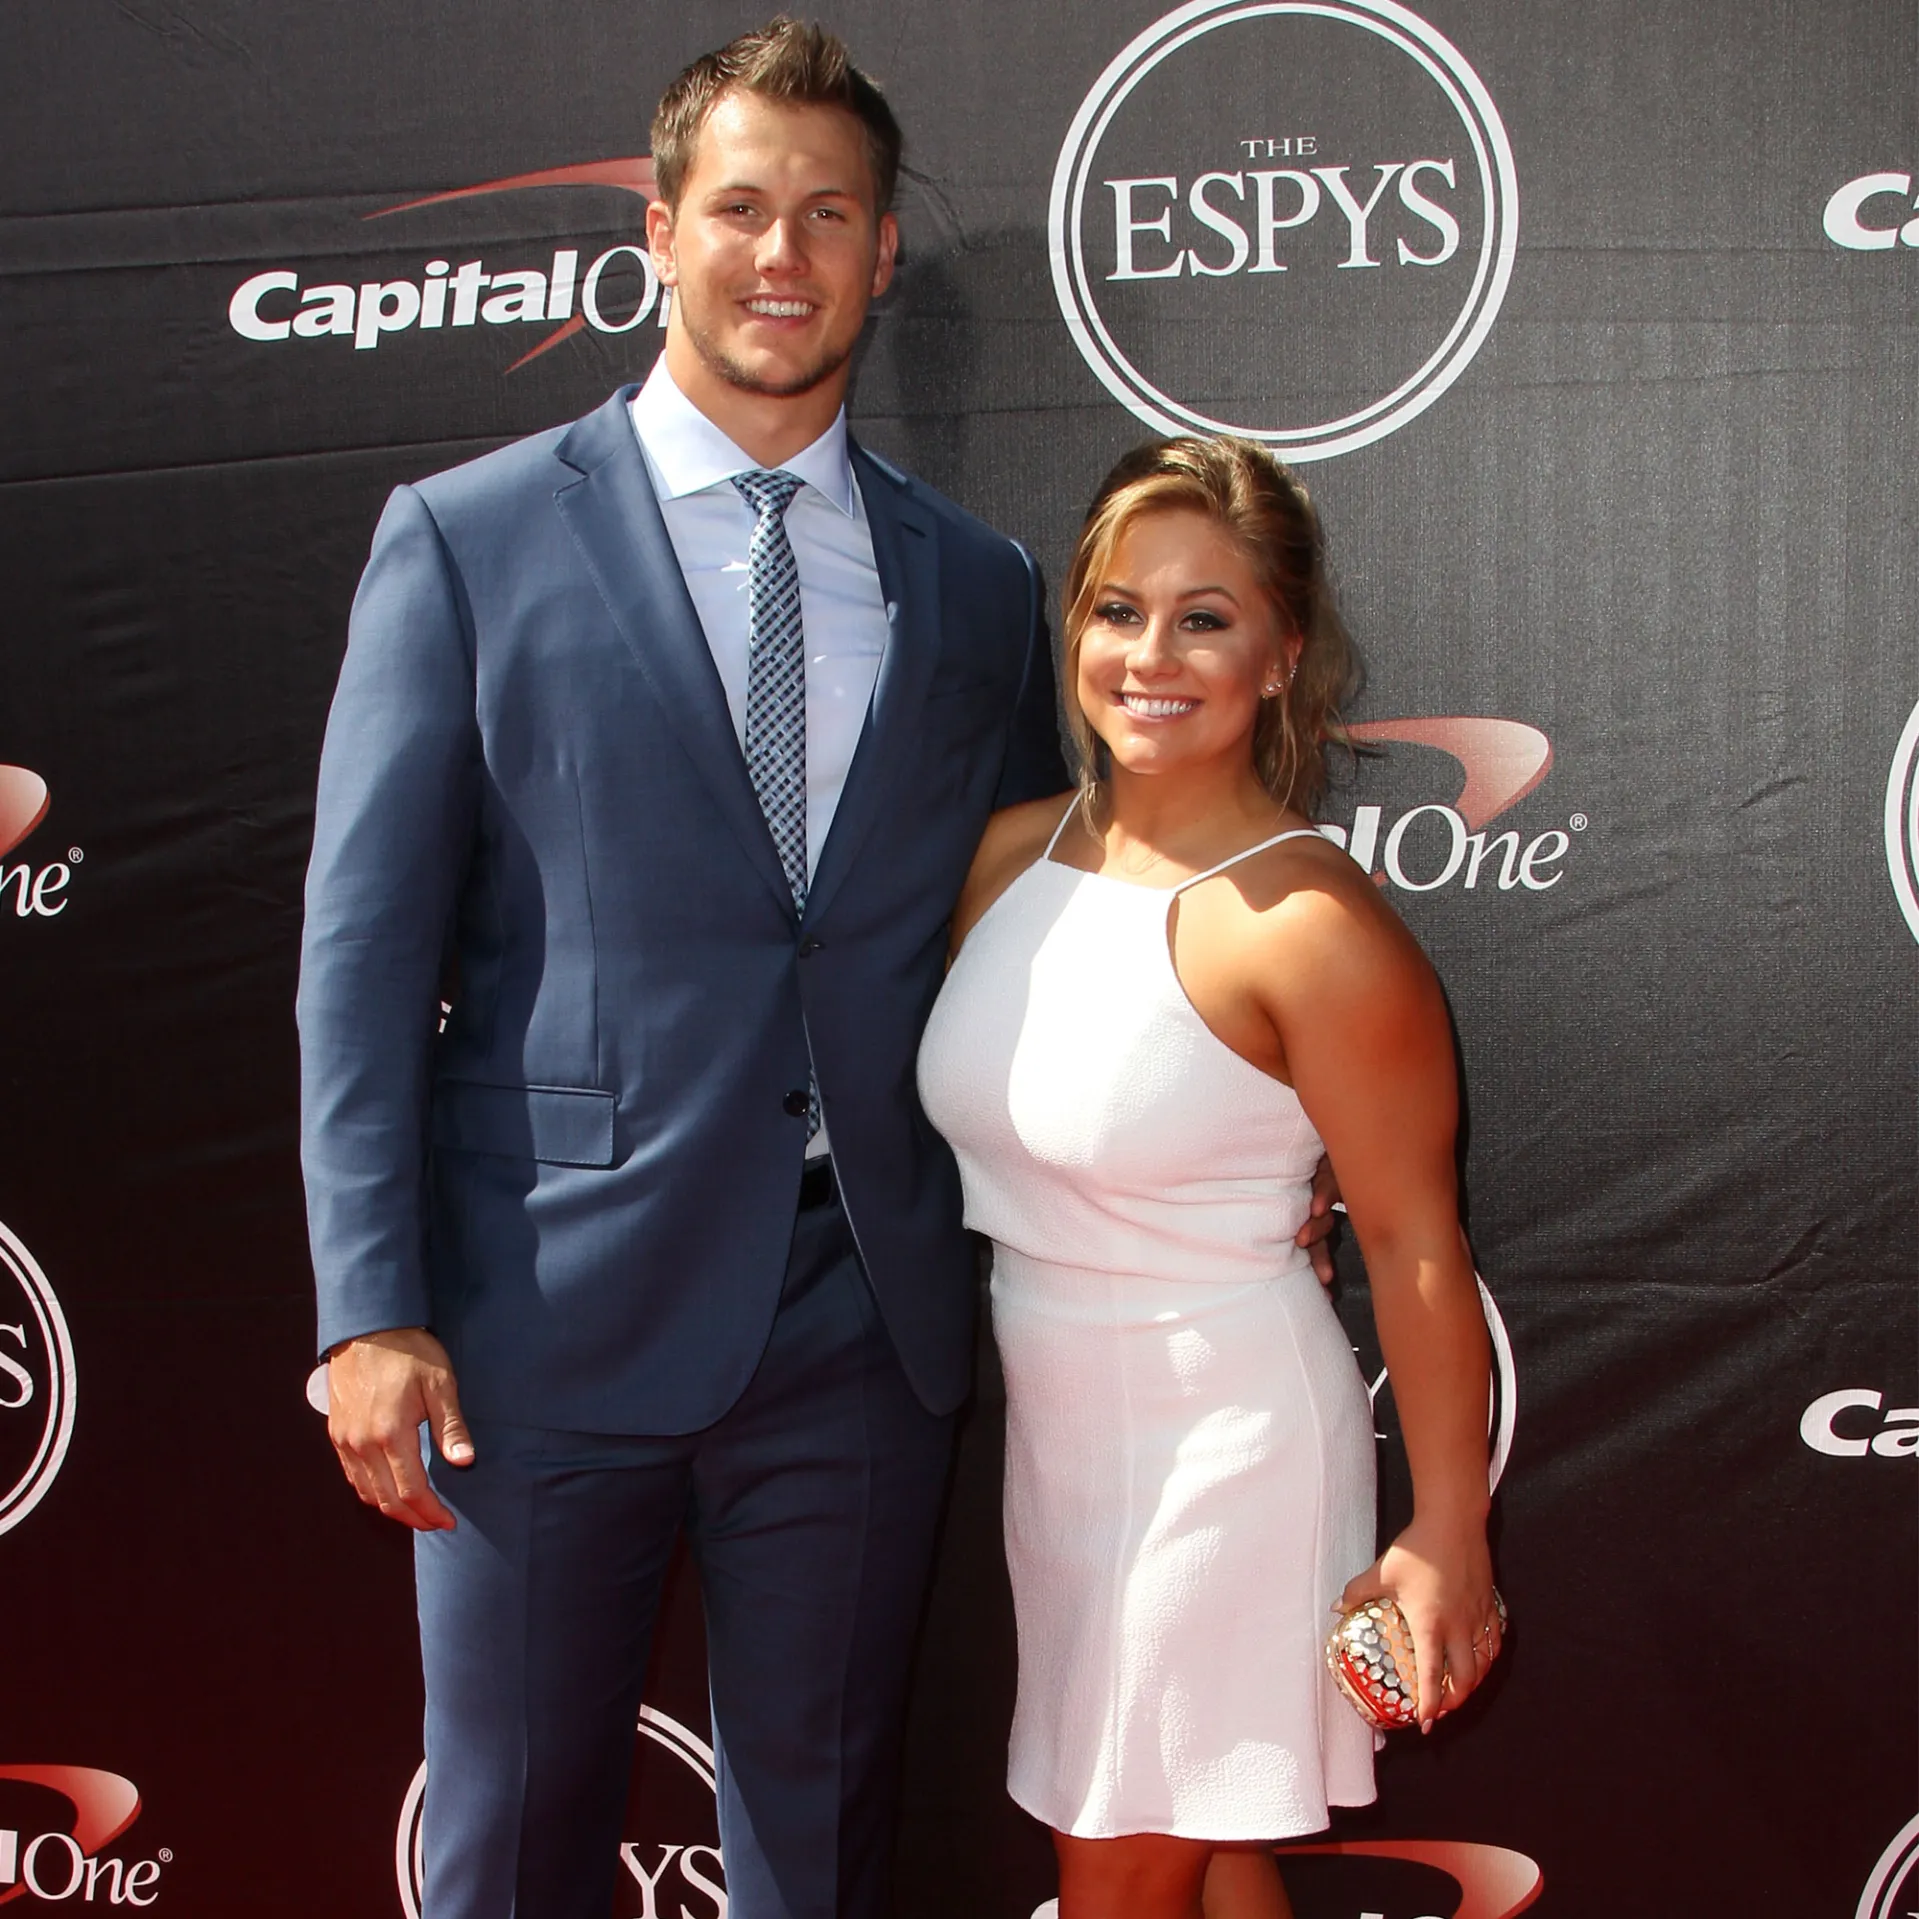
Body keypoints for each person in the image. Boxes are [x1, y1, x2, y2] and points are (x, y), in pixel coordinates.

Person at [297, 22, 1073, 1919]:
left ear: (884, 253)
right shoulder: (466, 539)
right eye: (739, 208)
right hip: (538, 1320)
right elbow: (363, 955)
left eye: (828, 213)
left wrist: (1225, 1141)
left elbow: (1041, 925)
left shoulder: (978, 585)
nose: (780, 253)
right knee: (509, 1853)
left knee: (823, 1861)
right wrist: (369, 1304)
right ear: (658, 232)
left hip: (861, 1321)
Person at [918, 436, 1502, 1919]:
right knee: (1210, 1843)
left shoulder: (1308, 927)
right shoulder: (1004, 859)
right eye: (1117, 610)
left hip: (1227, 1450)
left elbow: (1415, 1242)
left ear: (1281, 653)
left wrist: (1446, 1530)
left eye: (1204, 617)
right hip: (1062, 1443)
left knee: (1121, 1867)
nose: (1151, 655)